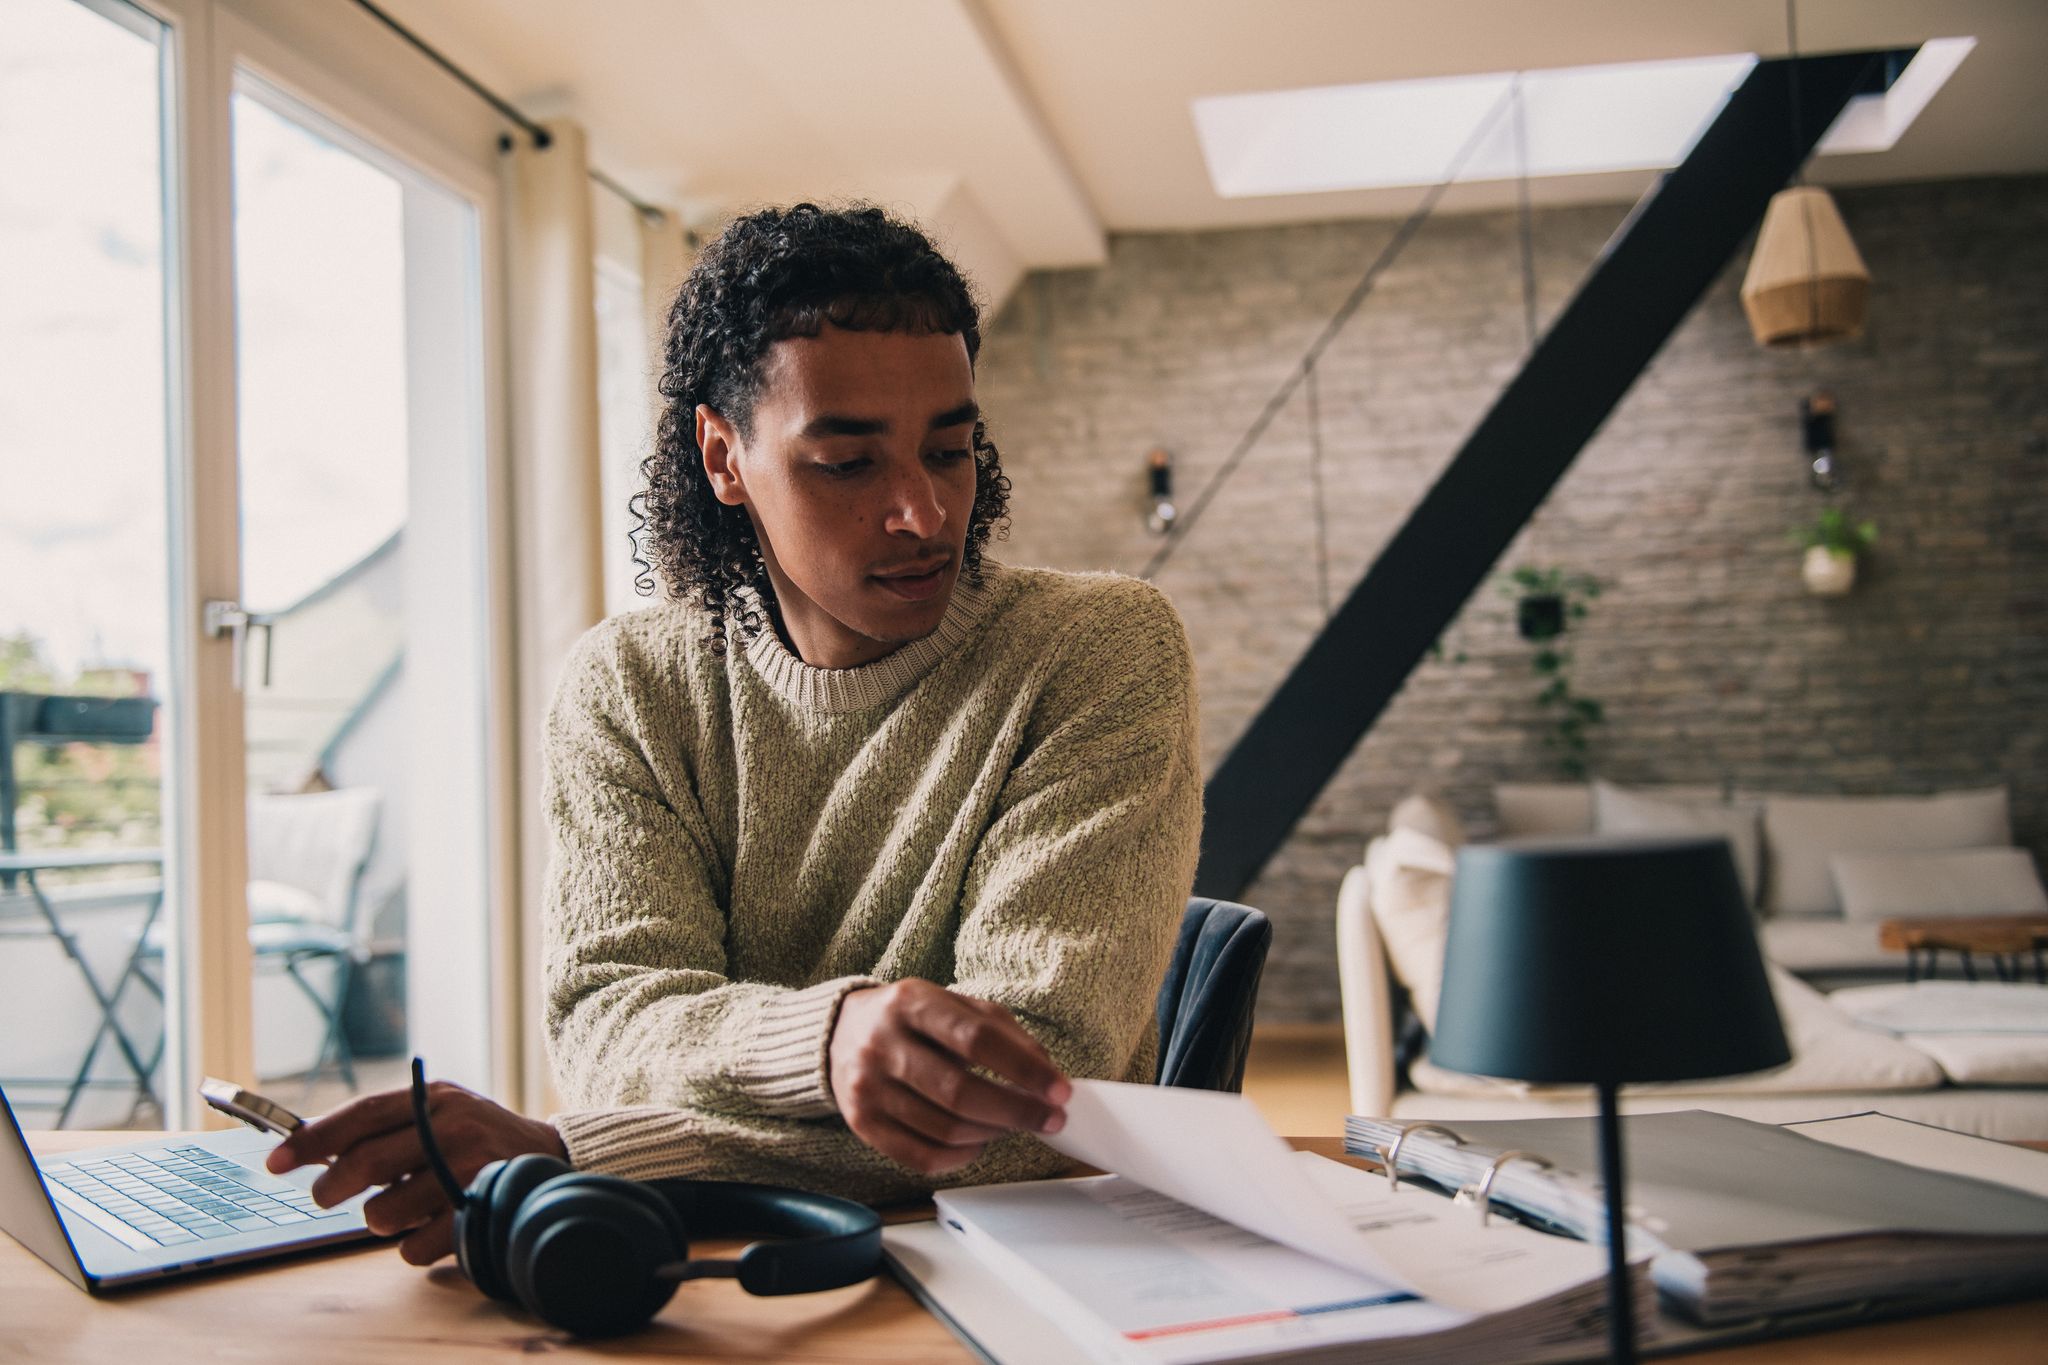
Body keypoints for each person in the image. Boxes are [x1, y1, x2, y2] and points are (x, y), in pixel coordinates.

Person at [266, 203, 1203, 1266]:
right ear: (722, 456)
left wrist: (590, 1154)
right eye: (846, 464)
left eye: (949, 449)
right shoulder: (624, 687)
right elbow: (607, 1029)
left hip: (1040, 1278)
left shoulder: (1095, 649)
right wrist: (823, 1040)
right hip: (721, 1275)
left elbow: (1028, 1094)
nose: (922, 513)